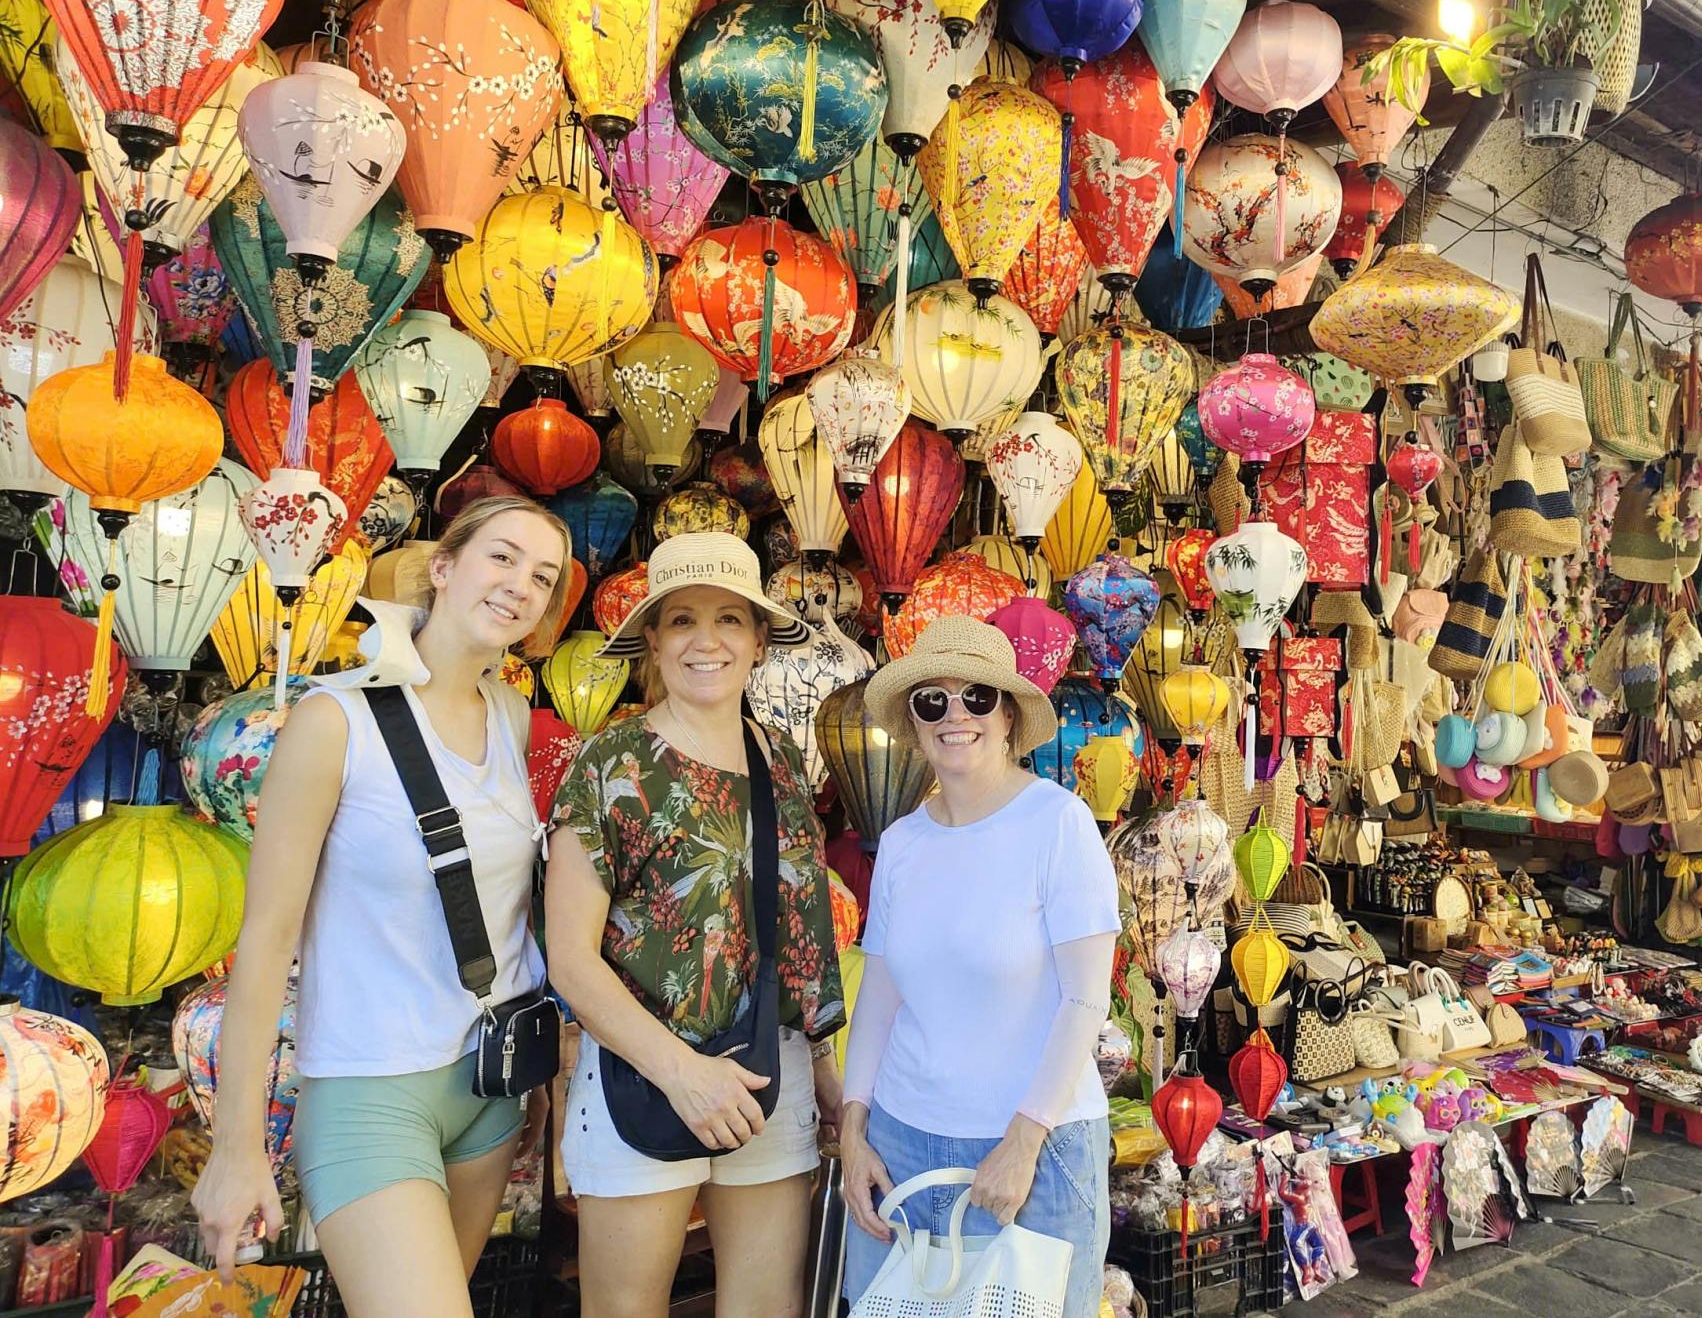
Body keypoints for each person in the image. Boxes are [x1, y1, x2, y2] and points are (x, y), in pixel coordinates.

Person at [193, 497, 575, 1316]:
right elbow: (264, 942)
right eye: (502, 557)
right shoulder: (335, 721)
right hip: (370, 1088)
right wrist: (236, 1147)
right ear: (443, 568)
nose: (520, 585)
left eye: (543, 577)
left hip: (492, 1084)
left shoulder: (512, 720)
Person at [545, 533, 845, 1318]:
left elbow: (796, 933)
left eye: (728, 620)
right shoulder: (612, 761)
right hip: (642, 1073)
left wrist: (822, 1069)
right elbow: (570, 958)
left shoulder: (777, 756)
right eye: (682, 620)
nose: (706, 641)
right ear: (653, 640)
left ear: (755, 641)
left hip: (764, 1070)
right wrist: (684, 1073)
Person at [839, 617, 1120, 1318]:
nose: (954, 715)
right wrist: (852, 1129)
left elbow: (1086, 1001)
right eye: (931, 701)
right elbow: (879, 996)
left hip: (1031, 1150)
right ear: (913, 720)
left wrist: (1024, 1140)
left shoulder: (1057, 822)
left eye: (976, 698)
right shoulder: (902, 841)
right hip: (901, 1143)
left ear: (1008, 714)